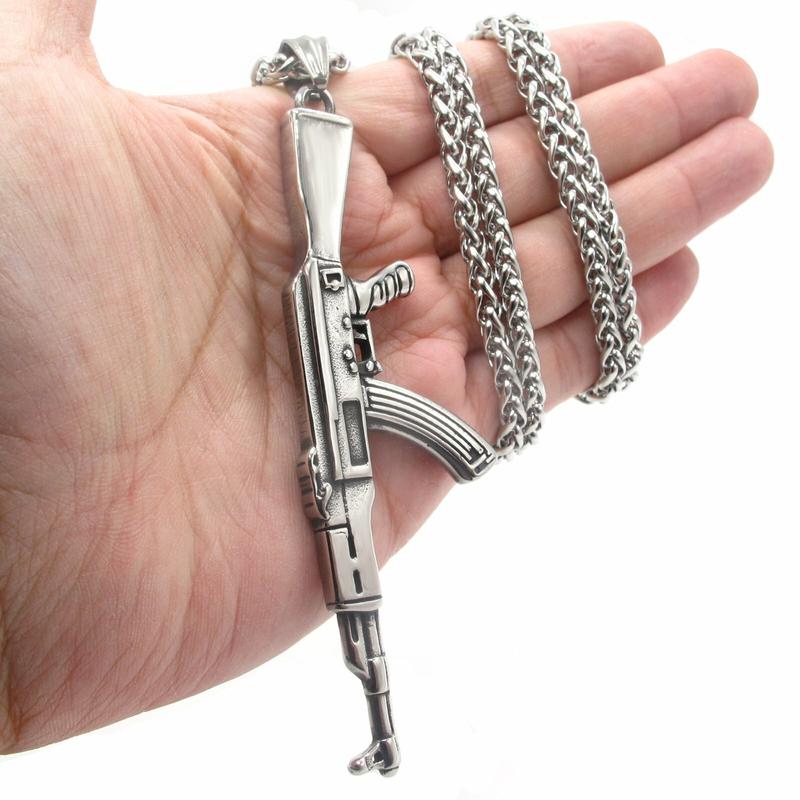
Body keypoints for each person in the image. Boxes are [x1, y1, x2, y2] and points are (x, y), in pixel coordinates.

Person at [0, 2, 773, 754]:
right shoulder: (315, 279)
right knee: (354, 561)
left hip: (340, 380)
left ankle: (381, 721)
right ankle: (381, 720)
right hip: (332, 409)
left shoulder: (326, 276)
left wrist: (368, 308)